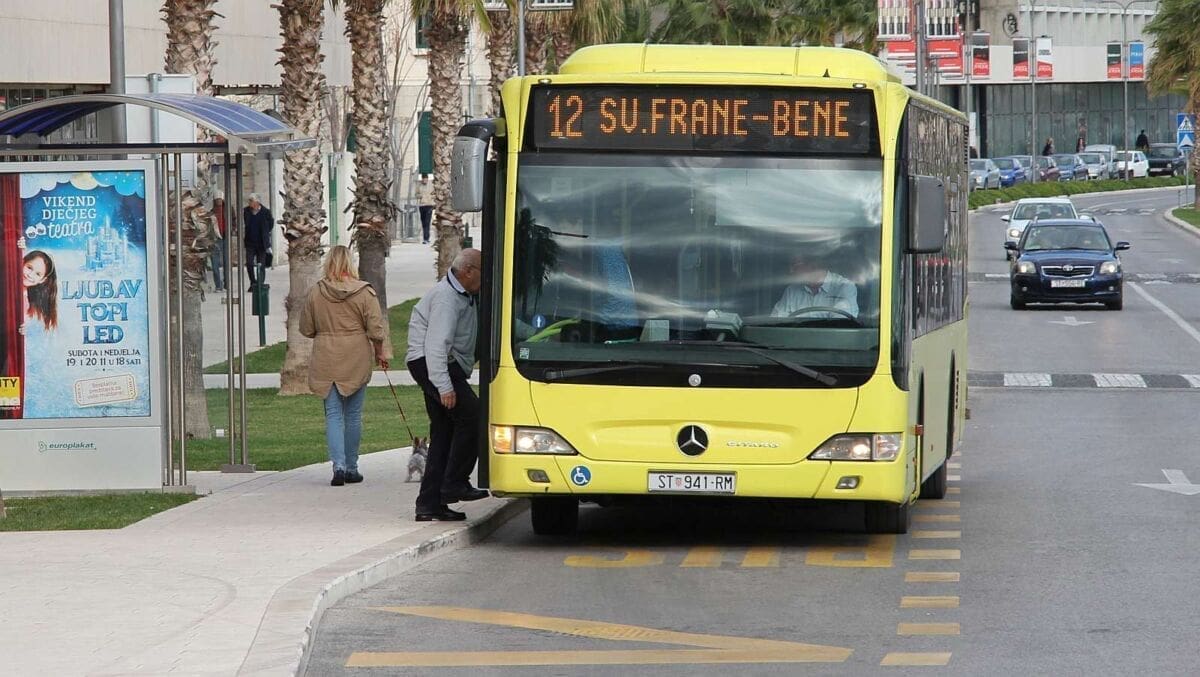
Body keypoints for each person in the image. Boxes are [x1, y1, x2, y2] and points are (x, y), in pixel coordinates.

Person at [300, 245, 391, 486]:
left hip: (326, 355)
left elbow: (306, 329)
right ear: (350, 263)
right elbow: (376, 329)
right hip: (356, 354)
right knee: (352, 415)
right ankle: (352, 466)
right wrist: (380, 352)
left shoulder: (316, 292)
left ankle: (337, 466)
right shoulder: (364, 292)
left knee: (332, 414)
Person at [407, 248, 487, 521]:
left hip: (438, 362)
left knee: (443, 433)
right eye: (482, 270)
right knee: (473, 416)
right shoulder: (446, 298)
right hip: (431, 362)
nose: (485, 278)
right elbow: (435, 345)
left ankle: (430, 504)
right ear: (467, 271)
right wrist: (444, 386)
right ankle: (454, 482)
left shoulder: (464, 296)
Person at [771, 249, 858, 319]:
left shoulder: (844, 287)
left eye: (795, 266)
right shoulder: (792, 290)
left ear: (814, 265)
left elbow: (840, 326)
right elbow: (776, 321)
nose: (791, 271)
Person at [243, 193, 274, 287]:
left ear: (256, 202)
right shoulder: (246, 211)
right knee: (249, 263)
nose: (249, 203)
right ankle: (253, 282)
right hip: (250, 242)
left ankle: (260, 283)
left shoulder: (265, 212)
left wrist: (265, 232)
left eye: (251, 201)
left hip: (262, 243)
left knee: (262, 264)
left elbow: (271, 224)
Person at [22, 250, 57, 331]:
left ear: (42, 280)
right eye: (29, 268)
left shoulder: (26, 302)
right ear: (22, 263)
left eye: (38, 274)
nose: (30, 275)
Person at [209, 191, 227, 292]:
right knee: (215, 263)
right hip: (215, 239)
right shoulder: (211, 213)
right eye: (217, 200)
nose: (219, 202)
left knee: (226, 262)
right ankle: (218, 285)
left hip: (225, 237)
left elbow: (233, 220)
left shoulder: (228, 210)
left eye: (220, 200)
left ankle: (226, 284)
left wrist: (232, 229)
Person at [417, 174, 434, 245]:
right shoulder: (419, 186)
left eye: (426, 179)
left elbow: (434, 193)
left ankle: (426, 238)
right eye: (423, 179)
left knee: (427, 222)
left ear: (427, 179)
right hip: (422, 205)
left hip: (429, 205)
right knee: (423, 222)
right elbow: (416, 194)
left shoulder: (431, 185)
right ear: (422, 179)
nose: (425, 180)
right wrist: (420, 196)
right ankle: (425, 238)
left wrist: (431, 198)